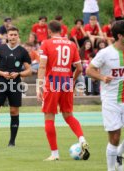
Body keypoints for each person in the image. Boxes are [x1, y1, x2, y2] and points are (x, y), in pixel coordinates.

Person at [37, 20, 90, 161]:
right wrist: (71, 80)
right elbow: (79, 68)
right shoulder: (71, 44)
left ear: (49, 31)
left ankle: (54, 154)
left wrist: (39, 85)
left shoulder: (46, 43)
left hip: (52, 83)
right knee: (68, 115)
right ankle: (81, 138)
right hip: (66, 82)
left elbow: (42, 66)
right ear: (61, 30)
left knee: (49, 117)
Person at [86, 20, 124, 171]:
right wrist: (102, 77)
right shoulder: (105, 53)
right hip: (111, 100)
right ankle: (111, 169)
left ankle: (119, 153)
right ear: (120, 36)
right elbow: (89, 70)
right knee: (114, 137)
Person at [0, 26, 32, 147]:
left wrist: (18, 73)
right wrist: (1, 73)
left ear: (18, 36)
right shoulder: (0, 50)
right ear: (7, 36)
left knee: (14, 111)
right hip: (1, 83)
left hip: (15, 84)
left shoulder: (23, 51)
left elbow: (29, 71)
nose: (13, 37)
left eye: (15, 35)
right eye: (11, 35)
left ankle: (12, 142)